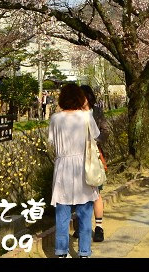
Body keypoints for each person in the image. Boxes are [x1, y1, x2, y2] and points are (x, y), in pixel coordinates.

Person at [48, 83, 99, 258]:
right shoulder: (86, 116)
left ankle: (61, 251)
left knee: (62, 214)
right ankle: (84, 252)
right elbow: (95, 136)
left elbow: (52, 142)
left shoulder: (55, 118)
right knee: (85, 213)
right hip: (82, 167)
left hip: (62, 168)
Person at [80, 84, 106, 243]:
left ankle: (99, 227)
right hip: (78, 158)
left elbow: (105, 131)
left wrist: (94, 140)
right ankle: (82, 226)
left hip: (95, 157)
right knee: (79, 194)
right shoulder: (73, 114)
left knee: (96, 193)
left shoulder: (96, 112)